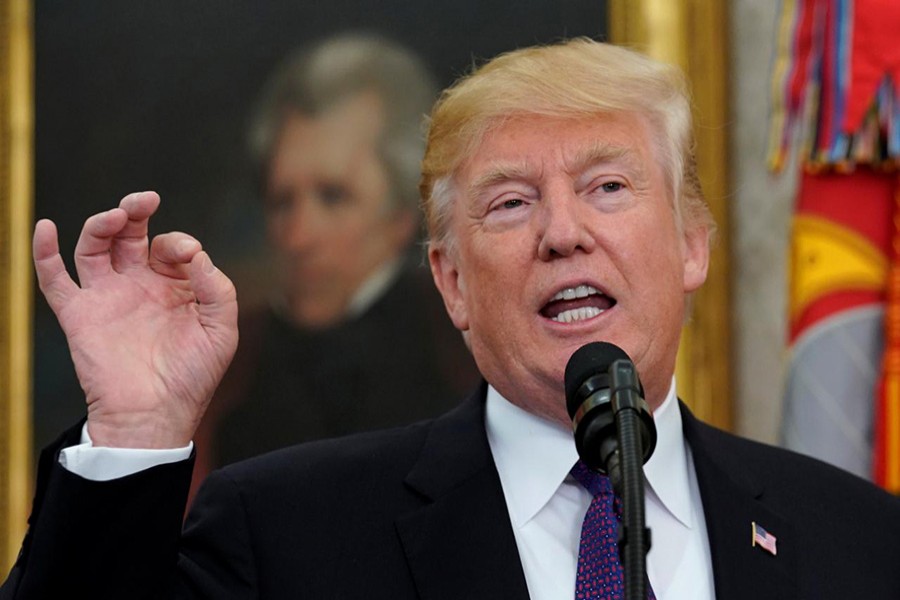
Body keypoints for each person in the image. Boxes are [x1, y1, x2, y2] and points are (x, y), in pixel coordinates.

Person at [5, 38, 900, 599]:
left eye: (608, 187)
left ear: (693, 244)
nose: (562, 233)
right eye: (510, 204)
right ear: (451, 281)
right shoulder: (284, 534)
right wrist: (134, 431)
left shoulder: (860, 543)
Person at [193, 34, 480, 488]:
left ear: (403, 214)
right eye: (282, 202)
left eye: (333, 197)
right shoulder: (229, 365)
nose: (298, 235)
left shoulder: (464, 355)